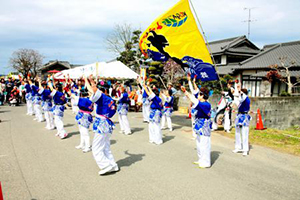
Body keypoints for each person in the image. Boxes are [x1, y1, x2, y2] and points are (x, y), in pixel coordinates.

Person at [85, 75, 119, 175]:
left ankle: (106, 165)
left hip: (102, 123)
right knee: (106, 147)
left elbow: (94, 91)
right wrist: (86, 81)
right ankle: (113, 165)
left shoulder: (102, 97)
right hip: (107, 123)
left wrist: (91, 82)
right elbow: (92, 91)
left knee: (96, 148)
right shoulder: (110, 99)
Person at [181, 85, 212, 168]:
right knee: (199, 143)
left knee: (204, 144)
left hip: (204, 126)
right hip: (199, 124)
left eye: (199, 94)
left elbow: (194, 100)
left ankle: (206, 162)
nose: (197, 96)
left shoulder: (206, 104)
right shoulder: (202, 104)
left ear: (202, 95)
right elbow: (194, 101)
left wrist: (186, 92)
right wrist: (186, 92)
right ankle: (201, 159)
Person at [69, 89, 94, 153]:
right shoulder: (89, 100)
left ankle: (87, 146)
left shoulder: (83, 99)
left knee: (84, 132)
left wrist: (70, 92)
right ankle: (82, 144)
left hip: (84, 115)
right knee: (82, 131)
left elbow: (74, 98)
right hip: (85, 115)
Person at [141, 79, 163, 145]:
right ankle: (152, 138)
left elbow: (149, 93)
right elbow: (150, 92)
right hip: (153, 112)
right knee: (151, 126)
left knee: (156, 126)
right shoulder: (157, 98)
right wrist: (148, 86)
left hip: (156, 112)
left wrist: (145, 86)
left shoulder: (156, 98)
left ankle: (158, 140)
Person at [232, 85, 251, 156]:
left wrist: (240, 91)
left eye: (241, 93)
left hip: (245, 117)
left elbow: (242, 97)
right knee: (237, 132)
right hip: (239, 116)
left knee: (244, 133)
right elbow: (238, 100)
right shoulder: (241, 99)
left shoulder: (246, 98)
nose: (240, 93)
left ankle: (245, 150)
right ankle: (238, 147)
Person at [188, 74, 200, 139]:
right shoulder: (194, 92)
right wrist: (190, 81)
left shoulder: (198, 92)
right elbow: (191, 87)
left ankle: (196, 134)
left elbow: (194, 87)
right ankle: (194, 134)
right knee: (193, 122)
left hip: (196, 109)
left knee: (196, 122)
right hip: (193, 108)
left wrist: (193, 81)